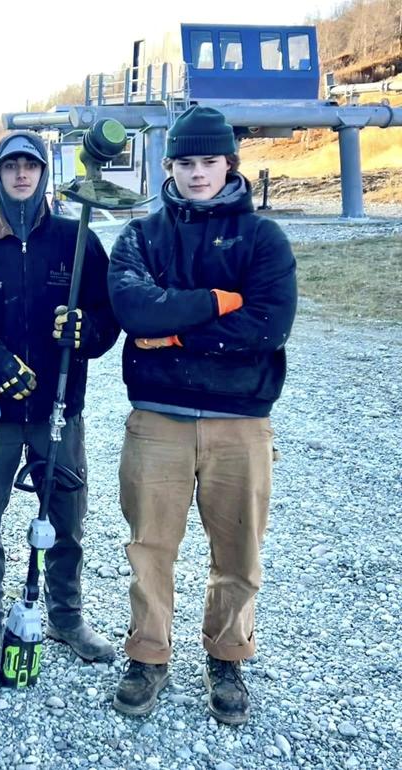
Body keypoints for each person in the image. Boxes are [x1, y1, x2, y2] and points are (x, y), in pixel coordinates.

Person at [107, 106, 297, 724]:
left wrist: (175, 332)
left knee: (238, 550)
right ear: (169, 166)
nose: (197, 173)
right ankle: (148, 655)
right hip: (156, 419)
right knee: (149, 548)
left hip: (241, 420)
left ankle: (227, 655)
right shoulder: (141, 237)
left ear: (229, 164)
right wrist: (219, 301)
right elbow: (135, 311)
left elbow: (268, 325)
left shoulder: (263, 239)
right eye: (185, 162)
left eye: (208, 161)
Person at [0, 130, 120, 670]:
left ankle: (66, 617)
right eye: (11, 166)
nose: (21, 174)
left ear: (43, 173)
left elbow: (108, 318)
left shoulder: (77, 241)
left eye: (30, 165)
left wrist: (86, 331)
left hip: (60, 408)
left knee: (66, 518)